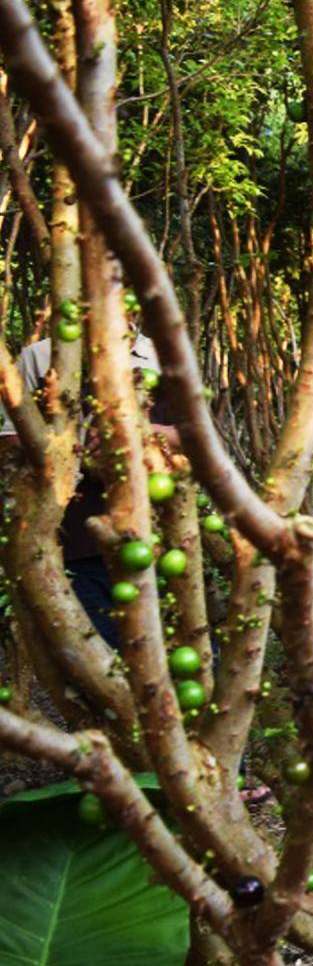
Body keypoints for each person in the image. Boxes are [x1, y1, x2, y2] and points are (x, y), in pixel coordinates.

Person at [0, 331, 272, 805]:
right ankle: (139, 784)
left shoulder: (163, 352)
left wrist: (135, 436)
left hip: (160, 540)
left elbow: (196, 438)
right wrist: (72, 448)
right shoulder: (43, 356)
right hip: (75, 541)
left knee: (184, 657)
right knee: (99, 673)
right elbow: (9, 440)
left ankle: (222, 777)